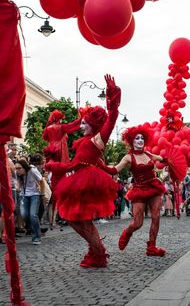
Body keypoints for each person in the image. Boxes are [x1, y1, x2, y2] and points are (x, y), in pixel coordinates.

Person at [46, 74, 121, 268]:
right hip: (78, 179)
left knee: (75, 219)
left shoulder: (98, 139)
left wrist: (111, 95)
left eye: (84, 123)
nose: (81, 126)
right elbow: (74, 164)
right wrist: (56, 166)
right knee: (79, 219)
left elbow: (112, 118)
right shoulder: (84, 142)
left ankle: (99, 253)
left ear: (93, 124)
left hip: (87, 181)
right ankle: (96, 251)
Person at [101, 124, 167, 257]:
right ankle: (128, 232)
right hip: (139, 190)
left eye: (142, 138)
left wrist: (171, 162)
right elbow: (115, 170)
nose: (140, 140)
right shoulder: (128, 158)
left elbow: (162, 159)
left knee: (156, 217)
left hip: (154, 187)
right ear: (132, 141)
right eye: (137, 138)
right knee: (138, 223)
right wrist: (100, 165)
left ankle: (151, 247)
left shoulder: (148, 154)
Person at [15, 159, 45, 245]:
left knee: (33, 215)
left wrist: (42, 194)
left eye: (19, 168)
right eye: (16, 168)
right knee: (24, 215)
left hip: (35, 194)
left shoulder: (32, 170)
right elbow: (19, 181)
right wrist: (18, 187)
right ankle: (35, 230)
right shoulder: (18, 173)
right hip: (23, 195)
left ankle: (37, 236)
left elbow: (41, 181)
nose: (17, 170)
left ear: (24, 167)